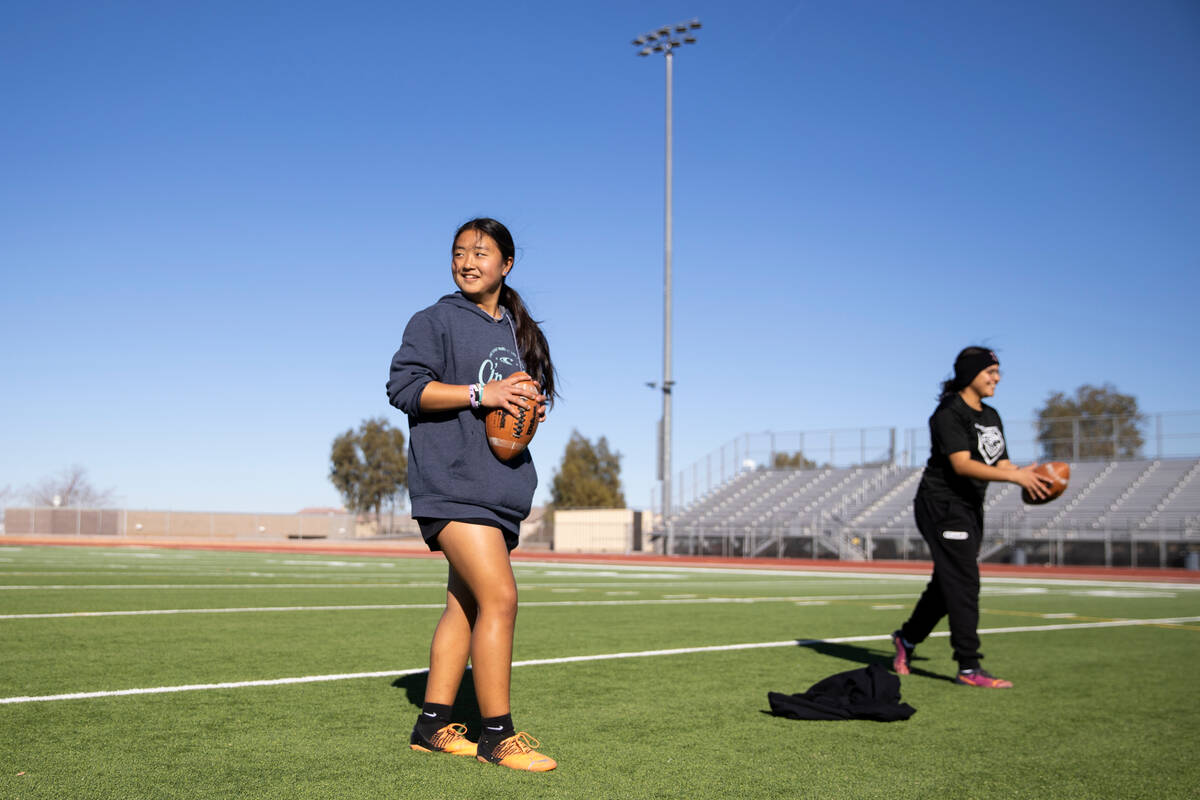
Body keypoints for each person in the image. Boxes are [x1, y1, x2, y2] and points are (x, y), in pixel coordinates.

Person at [386, 217, 558, 771]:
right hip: (453, 483)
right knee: (501, 599)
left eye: (481, 253)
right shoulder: (434, 320)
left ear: (506, 265)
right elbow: (405, 389)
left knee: (464, 605)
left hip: (498, 487)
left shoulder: (517, 332)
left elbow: (518, 402)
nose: (467, 261)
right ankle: (497, 735)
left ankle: (432, 725)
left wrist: (527, 412)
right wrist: (484, 392)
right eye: (460, 251)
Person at [891, 347, 1051, 689]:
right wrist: (1014, 478)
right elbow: (961, 464)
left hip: (969, 507)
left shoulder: (991, 416)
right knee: (964, 581)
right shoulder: (949, 412)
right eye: (990, 372)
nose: (997, 378)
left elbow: (1002, 463)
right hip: (942, 505)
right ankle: (969, 666)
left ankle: (906, 639)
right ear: (970, 375)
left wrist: (1026, 474)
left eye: (997, 372)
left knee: (947, 582)